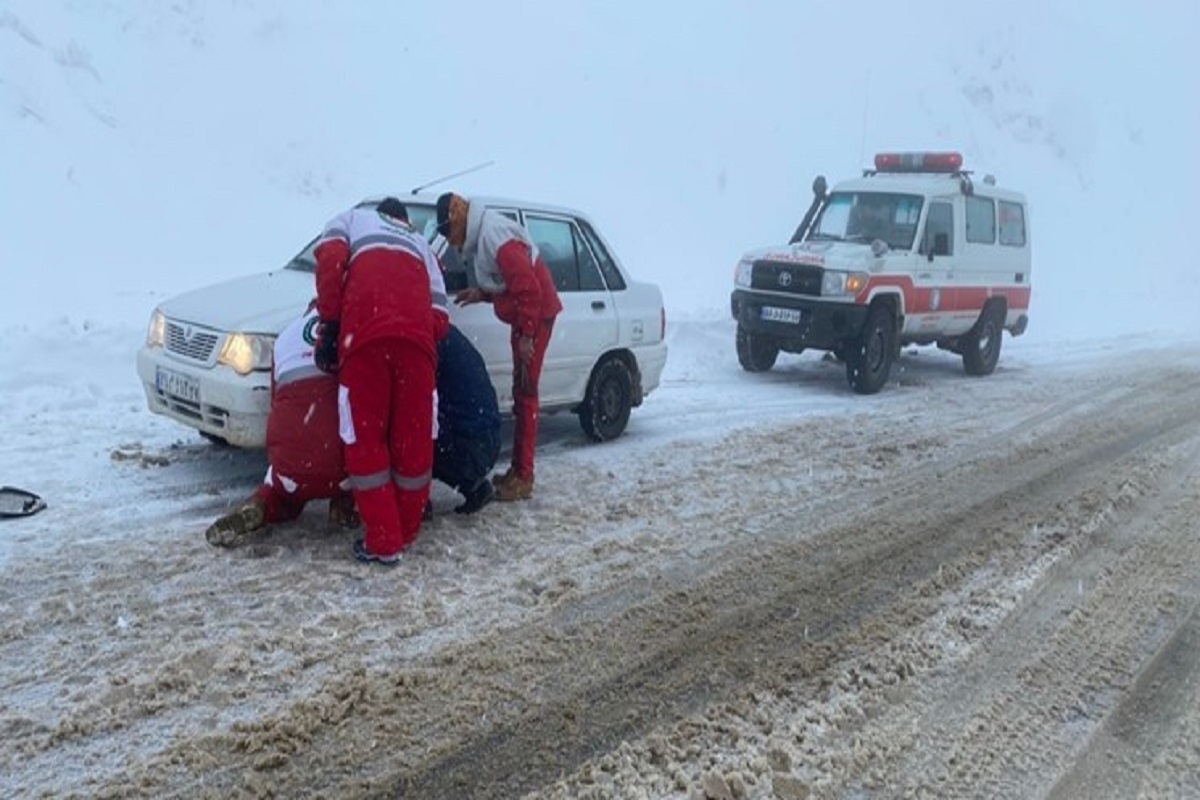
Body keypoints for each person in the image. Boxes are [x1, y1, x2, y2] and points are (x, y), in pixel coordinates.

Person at [314, 197, 449, 565]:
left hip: (365, 339)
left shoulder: (352, 219)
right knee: (413, 438)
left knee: (364, 436)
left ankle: (384, 540)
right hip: (417, 347)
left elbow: (329, 261)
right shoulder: (421, 243)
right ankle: (405, 530)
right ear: (403, 220)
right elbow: (441, 312)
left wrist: (333, 318)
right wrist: (410, 325)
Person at [435, 192, 562, 501]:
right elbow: (510, 285)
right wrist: (483, 295)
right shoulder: (485, 234)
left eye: (449, 234)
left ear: (458, 221)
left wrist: (528, 337)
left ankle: (524, 476)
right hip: (525, 317)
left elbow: (529, 289)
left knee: (526, 395)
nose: (452, 244)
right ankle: (520, 470)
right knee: (522, 395)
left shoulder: (494, 237)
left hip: (534, 317)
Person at [204, 303, 358, 548]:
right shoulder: (354, 327)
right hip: (342, 460)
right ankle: (344, 503)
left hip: (292, 455)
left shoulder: (287, 336)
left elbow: (276, 400)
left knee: (282, 490)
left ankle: (260, 506)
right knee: (363, 450)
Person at [435, 324, 502, 513]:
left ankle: (415, 505)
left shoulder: (432, 341)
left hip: (471, 445)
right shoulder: (446, 333)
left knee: (409, 432)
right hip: (487, 438)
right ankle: (475, 485)